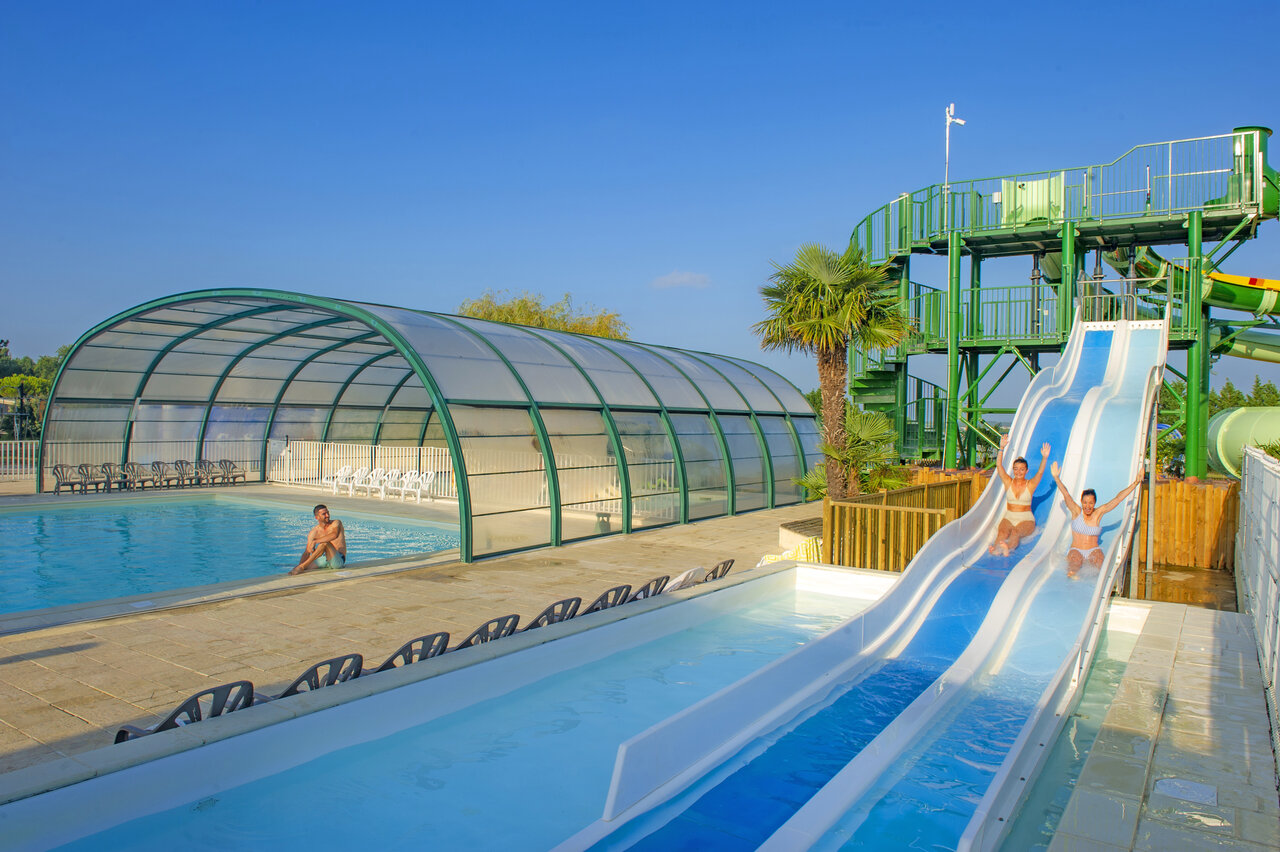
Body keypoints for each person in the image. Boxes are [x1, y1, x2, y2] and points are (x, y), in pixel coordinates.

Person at [1050, 462, 1143, 578]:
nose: (1087, 506)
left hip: (1093, 550)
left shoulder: (1098, 513)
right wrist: (1056, 478)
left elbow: (1118, 499)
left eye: (1091, 503)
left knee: (1101, 565)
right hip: (1076, 549)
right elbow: (1066, 494)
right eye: (1085, 502)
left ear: (1094, 503)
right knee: (1074, 565)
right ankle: (1073, 580)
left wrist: (1136, 483)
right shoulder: (1076, 512)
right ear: (1081, 502)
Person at [988, 434, 1051, 556]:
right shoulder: (1008, 482)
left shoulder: (1030, 485)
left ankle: (1008, 549)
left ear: (1026, 471)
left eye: (1022, 469)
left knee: (1016, 532)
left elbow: (1040, 472)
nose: (1018, 472)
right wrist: (1001, 449)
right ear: (1013, 470)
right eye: (1016, 469)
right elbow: (999, 466)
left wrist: (1044, 458)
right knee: (1002, 533)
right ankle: (996, 549)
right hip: (1009, 516)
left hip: (1026, 518)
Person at [289, 504, 347, 575]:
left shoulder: (336, 523)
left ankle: (302, 567)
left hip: (338, 559)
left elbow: (334, 535)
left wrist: (315, 541)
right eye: (324, 514)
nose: (327, 515)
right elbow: (307, 552)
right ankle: (301, 567)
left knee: (324, 543)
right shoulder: (314, 532)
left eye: (328, 513)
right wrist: (298, 566)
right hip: (323, 559)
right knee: (306, 568)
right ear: (317, 517)